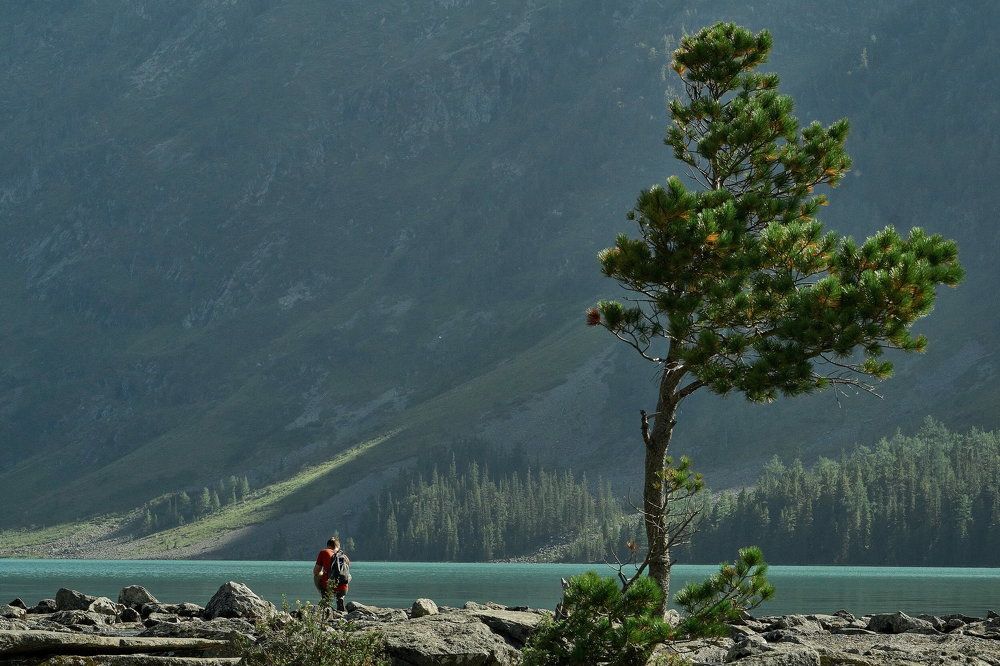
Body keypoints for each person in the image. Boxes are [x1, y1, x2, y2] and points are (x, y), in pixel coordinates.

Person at [313, 536, 350, 611]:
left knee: (316, 576)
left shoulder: (324, 552)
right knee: (347, 576)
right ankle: (340, 598)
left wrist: (323, 573)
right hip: (343, 587)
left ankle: (325, 598)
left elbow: (316, 571)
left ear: (328, 546)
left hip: (329, 585)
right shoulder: (344, 557)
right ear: (338, 546)